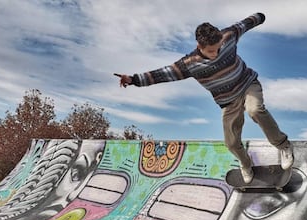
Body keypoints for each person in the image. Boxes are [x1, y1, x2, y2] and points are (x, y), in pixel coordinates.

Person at [115, 12, 293, 183]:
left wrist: (260, 17)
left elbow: (244, 25)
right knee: (231, 143)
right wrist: (134, 79)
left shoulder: (227, 36)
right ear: (199, 46)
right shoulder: (189, 64)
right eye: (211, 51)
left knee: (255, 110)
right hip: (228, 101)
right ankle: (246, 165)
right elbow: (163, 74)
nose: (216, 53)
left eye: (218, 49)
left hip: (247, 84)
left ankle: (283, 145)